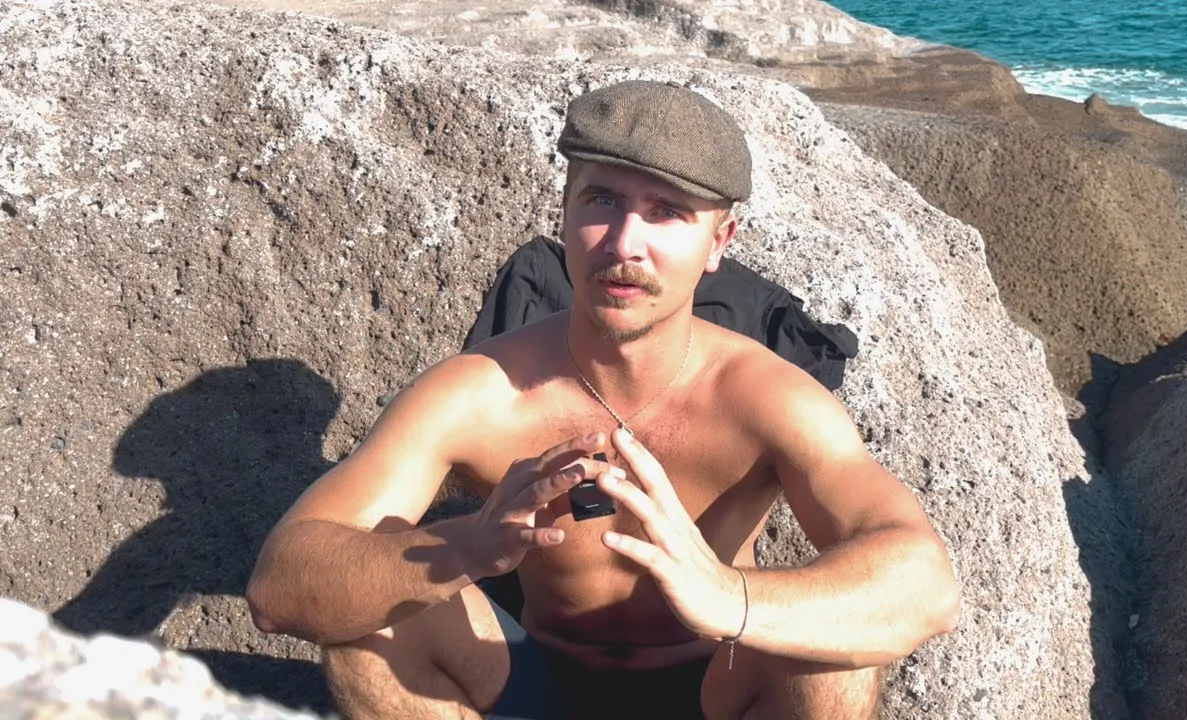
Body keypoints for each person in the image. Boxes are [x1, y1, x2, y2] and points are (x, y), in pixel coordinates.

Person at [246, 79, 961, 720]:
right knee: (367, 626)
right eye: (603, 201)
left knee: (838, 648)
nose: (624, 243)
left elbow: (926, 585)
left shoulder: (766, 400)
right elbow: (279, 586)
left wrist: (727, 597)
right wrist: (470, 544)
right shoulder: (480, 393)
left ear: (720, 242)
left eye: (667, 213)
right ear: (564, 213)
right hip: (531, 680)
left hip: (710, 688)